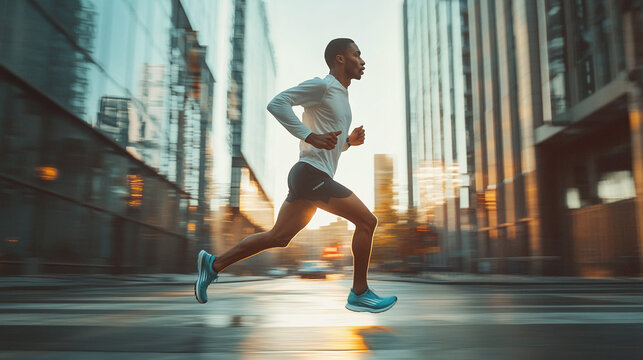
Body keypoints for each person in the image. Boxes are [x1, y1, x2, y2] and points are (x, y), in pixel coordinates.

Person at [195, 38, 397, 313]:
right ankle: (359, 292)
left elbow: (328, 145)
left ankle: (213, 264)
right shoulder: (323, 85)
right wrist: (310, 135)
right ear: (340, 58)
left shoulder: (341, 96)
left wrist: (347, 143)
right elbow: (277, 103)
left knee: (278, 237)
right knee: (366, 221)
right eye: (357, 54)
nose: (362, 61)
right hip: (310, 175)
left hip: (311, 176)